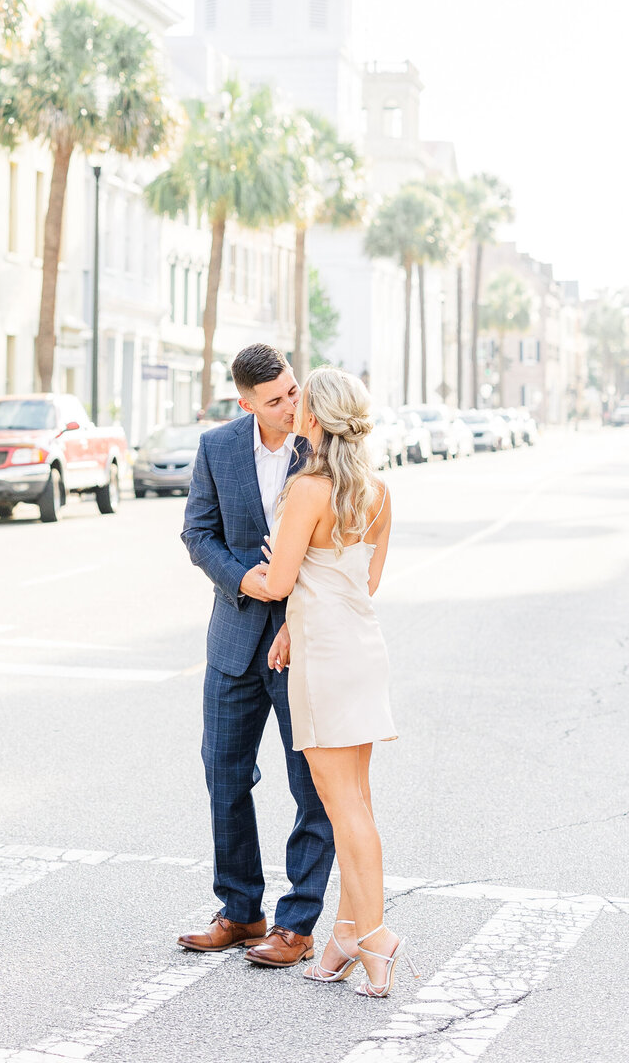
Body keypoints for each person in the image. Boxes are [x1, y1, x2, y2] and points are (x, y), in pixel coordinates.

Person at [258, 365, 418, 997]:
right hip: (360, 645)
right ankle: (348, 932)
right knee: (355, 798)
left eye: (302, 405)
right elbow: (366, 582)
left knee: (342, 804)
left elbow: (277, 583)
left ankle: (376, 935)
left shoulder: (308, 490)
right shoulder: (376, 490)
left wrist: (268, 573)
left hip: (325, 656)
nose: (294, 409)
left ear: (315, 421)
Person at [178, 344, 335, 969]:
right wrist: (247, 581)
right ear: (246, 403)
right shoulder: (217, 447)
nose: (291, 405)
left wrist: (293, 607)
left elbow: (338, 539)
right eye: (275, 400)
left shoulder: (322, 445)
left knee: (311, 785)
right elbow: (198, 532)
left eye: (293, 391)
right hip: (236, 638)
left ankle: (298, 923)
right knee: (223, 772)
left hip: (305, 640)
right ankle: (242, 911)